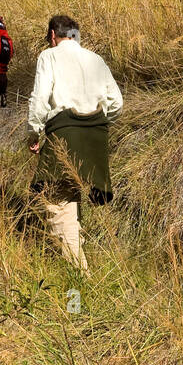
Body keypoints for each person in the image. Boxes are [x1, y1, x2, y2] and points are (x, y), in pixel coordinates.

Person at [27, 15, 123, 272]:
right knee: (74, 196)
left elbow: (40, 98)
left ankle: (78, 274)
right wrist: (98, 124)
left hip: (64, 131)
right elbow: (116, 103)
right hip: (96, 136)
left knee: (57, 202)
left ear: (52, 35)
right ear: (76, 35)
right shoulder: (96, 59)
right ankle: (78, 256)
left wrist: (34, 132)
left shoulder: (49, 56)